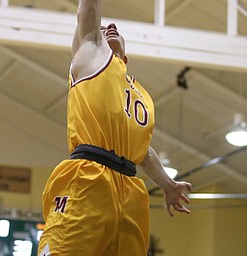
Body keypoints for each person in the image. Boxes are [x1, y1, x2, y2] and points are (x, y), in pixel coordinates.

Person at [38, 0, 192, 255]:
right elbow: (87, 11)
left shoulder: (136, 93)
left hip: (130, 188)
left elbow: (141, 149)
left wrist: (167, 184)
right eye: (102, 27)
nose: (110, 26)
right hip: (89, 175)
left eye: (116, 29)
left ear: (126, 55)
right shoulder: (91, 55)